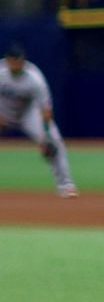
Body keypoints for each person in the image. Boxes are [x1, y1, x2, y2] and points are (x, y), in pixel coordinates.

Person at [0, 43, 76, 197]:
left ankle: (66, 185)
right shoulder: (1, 73)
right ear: (7, 60)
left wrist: (45, 137)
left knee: (55, 141)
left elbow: (45, 110)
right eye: (13, 60)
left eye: (19, 60)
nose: (16, 64)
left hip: (28, 114)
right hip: (3, 111)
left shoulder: (34, 78)